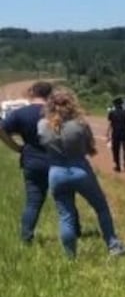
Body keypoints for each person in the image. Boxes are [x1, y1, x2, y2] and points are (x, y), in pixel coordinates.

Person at [38, 88, 125, 259]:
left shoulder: (43, 125)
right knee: (101, 207)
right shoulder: (80, 123)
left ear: (49, 105)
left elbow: (42, 145)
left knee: (65, 216)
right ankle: (113, 245)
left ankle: (70, 256)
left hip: (56, 172)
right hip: (79, 169)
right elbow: (90, 148)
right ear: (72, 104)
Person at [0, 81, 81, 243]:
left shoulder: (20, 113)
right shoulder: (57, 112)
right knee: (66, 199)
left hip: (32, 161)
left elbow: (1, 129)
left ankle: (26, 237)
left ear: (32, 93)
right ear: (50, 95)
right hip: (58, 161)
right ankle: (75, 232)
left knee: (33, 202)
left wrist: (17, 147)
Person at [106, 97, 125, 172]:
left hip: (116, 133)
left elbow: (110, 124)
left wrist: (107, 133)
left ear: (115, 105)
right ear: (121, 104)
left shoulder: (112, 113)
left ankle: (118, 166)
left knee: (115, 150)